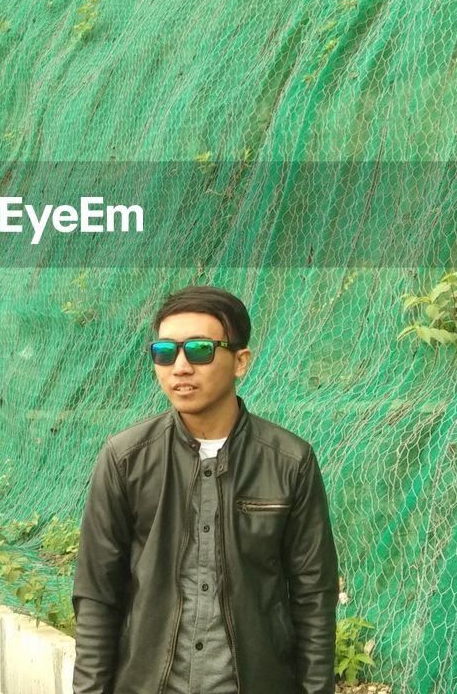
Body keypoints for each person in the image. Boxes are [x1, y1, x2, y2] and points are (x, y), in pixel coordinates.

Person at [73, 285, 339, 694]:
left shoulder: (290, 461)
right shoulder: (125, 458)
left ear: (240, 361)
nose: (180, 366)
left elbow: (313, 597)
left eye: (199, 350)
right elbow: (97, 595)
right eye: (165, 352)